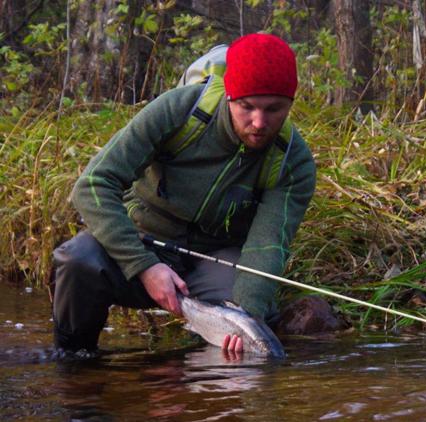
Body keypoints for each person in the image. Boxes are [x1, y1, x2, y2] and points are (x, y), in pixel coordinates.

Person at [51, 33, 316, 356]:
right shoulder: (179, 110)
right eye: (247, 107)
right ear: (229, 96)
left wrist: (246, 318)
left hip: (214, 258)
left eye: (274, 109)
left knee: (253, 338)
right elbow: (93, 185)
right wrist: (145, 266)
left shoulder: (293, 162)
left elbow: (267, 247)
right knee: (79, 259)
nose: (259, 122)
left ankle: (200, 379)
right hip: (143, 241)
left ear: (290, 103)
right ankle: (73, 363)